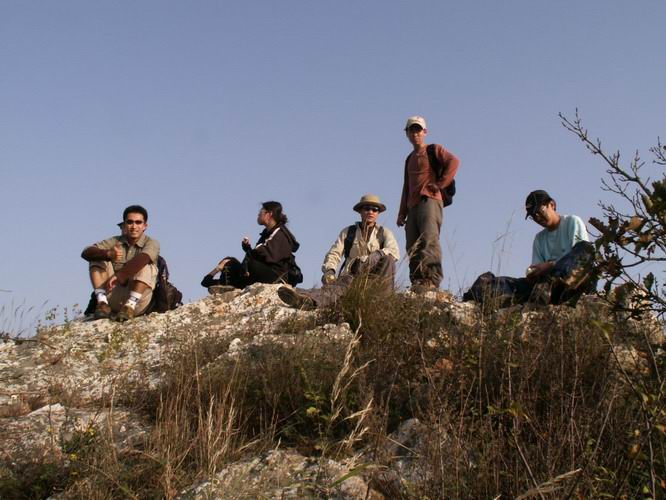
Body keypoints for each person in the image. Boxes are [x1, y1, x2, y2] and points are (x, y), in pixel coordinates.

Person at [463, 190, 595, 306]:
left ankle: (549, 288)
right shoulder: (539, 239)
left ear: (552, 205)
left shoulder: (572, 221)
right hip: (545, 287)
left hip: (572, 281)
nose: (538, 218)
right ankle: (479, 292)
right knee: (502, 284)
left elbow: (581, 258)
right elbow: (538, 269)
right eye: (534, 216)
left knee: (585, 249)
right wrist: (534, 273)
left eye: (540, 212)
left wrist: (551, 265)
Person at [278, 194, 399, 310]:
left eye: (375, 209)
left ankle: (383, 303)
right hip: (351, 277)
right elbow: (334, 253)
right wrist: (329, 271)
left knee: (388, 259)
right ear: (360, 211)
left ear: (378, 213)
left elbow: (394, 251)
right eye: (367, 208)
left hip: (374, 283)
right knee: (335, 290)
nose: (371, 212)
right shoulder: (348, 232)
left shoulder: (384, 232)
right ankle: (304, 300)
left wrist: (378, 254)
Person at [397, 116, 460, 292]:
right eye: (411, 130)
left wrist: (440, 184)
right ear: (407, 134)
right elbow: (406, 186)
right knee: (412, 245)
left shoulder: (433, 149)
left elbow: (454, 161)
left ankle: (432, 280)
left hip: (430, 199)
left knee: (429, 239)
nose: (415, 133)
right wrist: (401, 212)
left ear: (425, 132)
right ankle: (418, 281)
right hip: (412, 205)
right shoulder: (409, 158)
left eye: (418, 130)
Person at [81, 205, 160, 321]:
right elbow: (86, 252)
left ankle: (129, 307)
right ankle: (102, 303)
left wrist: (120, 276)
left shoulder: (151, 243)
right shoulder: (115, 241)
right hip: (113, 296)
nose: (134, 226)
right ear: (124, 224)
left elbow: (143, 258)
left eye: (138, 222)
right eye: (130, 222)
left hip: (138, 301)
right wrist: (108, 254)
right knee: (97, 257)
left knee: (146, 266)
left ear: (145, 226)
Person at [201, 201, 300, 290]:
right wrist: (247, 249)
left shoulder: (280, 233)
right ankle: (229, 286)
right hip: (262, 272)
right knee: (230, 262)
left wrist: (249, 255)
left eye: (261, 212)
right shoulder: (266, 233)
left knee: (250, 264)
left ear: (269, 214)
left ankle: (234, 285)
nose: (258, 214)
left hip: (277, 276)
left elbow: (269, 257)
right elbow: (205, 282)